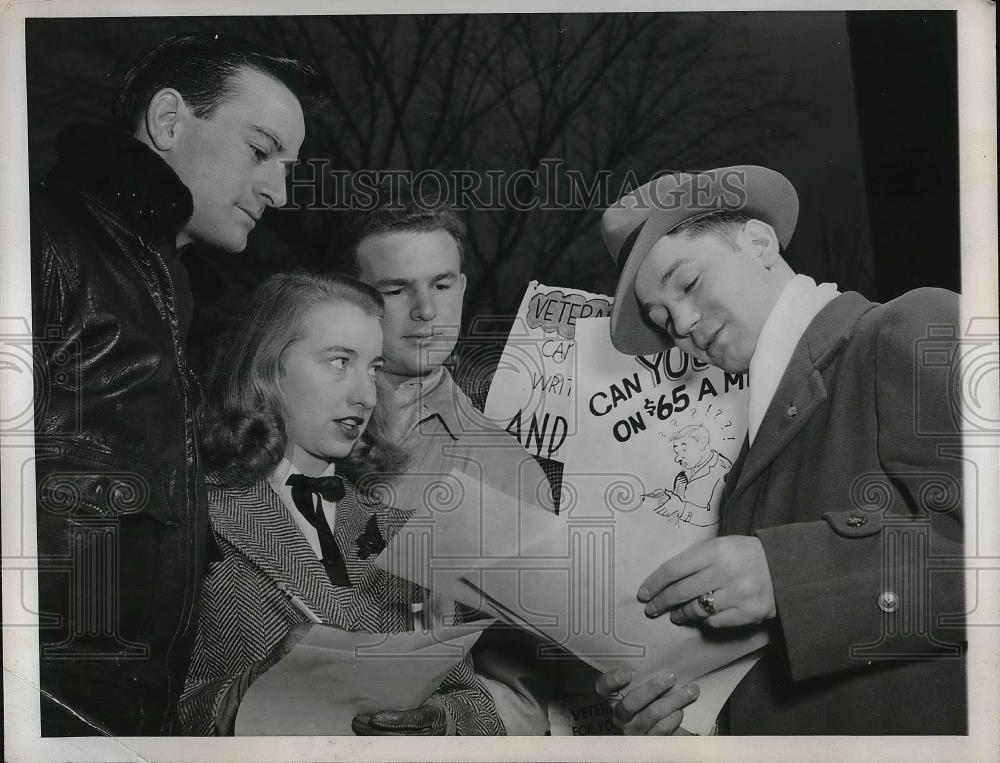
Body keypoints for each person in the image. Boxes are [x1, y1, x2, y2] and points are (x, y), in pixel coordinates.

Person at [594, 165, 965, 734]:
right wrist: (688, 705)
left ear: (759, 242)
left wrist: (788, 576)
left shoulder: (911, 325)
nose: (684, 325)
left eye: (688, 284)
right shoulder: (745, 460)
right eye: (662, 320)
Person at [30, 34, 321, 735]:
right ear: (168, 122)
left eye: (288, 167)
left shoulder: (171, 296)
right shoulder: (40, 240)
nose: (279, 192)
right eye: (260, 150)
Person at [179, 272, 504, 735]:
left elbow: (475, 704)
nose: (366, 395)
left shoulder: (405, 535)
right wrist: (239, 700)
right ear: (265, 367)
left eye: (373, 368)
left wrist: (443, 722)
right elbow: (122, 712)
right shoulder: (195, 515)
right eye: (339, 362)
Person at [335, 187, 568, 734]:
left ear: (462, 287)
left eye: (441, 285)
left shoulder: (507, 470)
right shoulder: (283, 425)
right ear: (350, 298)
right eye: (395, 290)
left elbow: (523, 691)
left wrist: (446, 724)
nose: (426, 311)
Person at [642, 425, 732, 525]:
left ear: (703, 443)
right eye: (676, 452)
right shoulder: (683, 476)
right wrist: (665, 498)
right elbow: (677, 504)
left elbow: (717, 516)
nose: (677, 459)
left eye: (684, 450)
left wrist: (680, 508)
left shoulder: (724, 470)